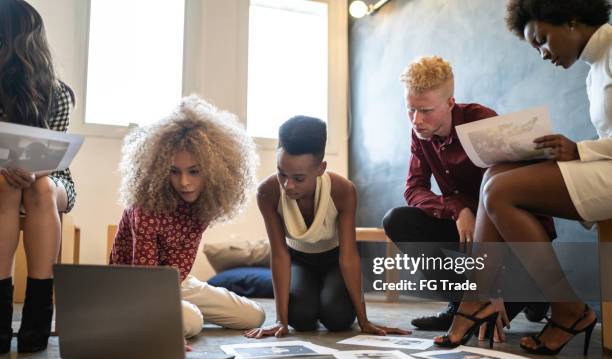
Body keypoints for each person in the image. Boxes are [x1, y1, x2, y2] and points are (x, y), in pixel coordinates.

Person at [435, 0, 610, 355]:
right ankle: (475, 298)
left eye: (542, 39)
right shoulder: (596, 69)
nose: (543, 53)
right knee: (496, 173)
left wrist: (580, 151)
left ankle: (567, 309)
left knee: (500, 192)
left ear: (572, 20)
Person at [382, 56, 553, 334]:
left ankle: (533, 289)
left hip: (513, 233)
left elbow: (511, 190)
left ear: (450, 103)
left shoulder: (482, 121)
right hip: (468, 230)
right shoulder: (420, 134)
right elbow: (414, 189)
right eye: (410, 109)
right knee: (398, 220)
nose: (417, 120)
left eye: (426, 110)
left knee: (489, 320)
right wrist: (458, 209)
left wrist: (492, 288)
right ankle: (459, 303)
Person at [110, 96, 265, 338]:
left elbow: (178, 269)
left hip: (178, 282)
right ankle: (134, 316)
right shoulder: (147, 207)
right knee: (192, 322)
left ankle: (166, 316)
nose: (184, 182)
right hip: (137, 286)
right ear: (160, 170)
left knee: (255, 316)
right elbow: (146, 278)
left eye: (194, 171)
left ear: (214, 171)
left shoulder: (203, 202)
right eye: (174, 172)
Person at [245, 116, 409, 338]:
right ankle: (299, 307)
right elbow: (279, 254)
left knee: (337, 318)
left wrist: (364, 321)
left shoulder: (343, 191)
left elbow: (349, 256)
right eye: (281, 173)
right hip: (299, 259)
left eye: (299, 178)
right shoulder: (268, 192)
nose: (288, 185)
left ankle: (335, 304)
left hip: (335, 261)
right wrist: (280, 321)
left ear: (321, 168)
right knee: (300, 318)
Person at [0, 0, 77, 353]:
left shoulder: (57, 93)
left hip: (49, 178)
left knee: (41, 189)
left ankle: (36, 321)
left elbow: (56, 157)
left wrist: (32, 171)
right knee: (4, 185)